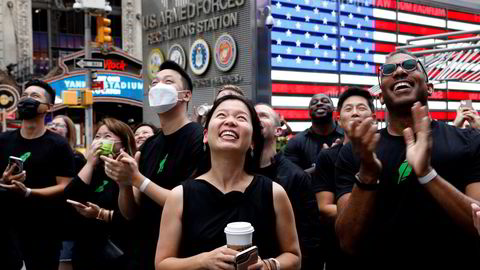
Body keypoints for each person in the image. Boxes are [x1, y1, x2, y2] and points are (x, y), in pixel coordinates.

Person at [335, 49, 480, 269]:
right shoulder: (356, 152)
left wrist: (427, 174)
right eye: (389, 70)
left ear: (429, 88)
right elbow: (348, 242)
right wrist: (368, 172)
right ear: (381, 97)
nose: (400, 71)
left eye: (411, 66)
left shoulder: (469, 142)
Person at [155, 95, 301, 270]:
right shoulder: (179, 196)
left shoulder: (274, 193)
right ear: (206, 135)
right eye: (222, 115)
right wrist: (203, 261)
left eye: (241, 118)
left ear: (253, 141)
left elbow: (294, 257)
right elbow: (162, 264)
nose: (230, 121)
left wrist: (269, 266)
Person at [103, 60, 205, 270]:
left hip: (182, 254)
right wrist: (123, 183)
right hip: (143, 252)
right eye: (155, 82)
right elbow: (131, 212)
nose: (159, 86)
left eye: (168, 81)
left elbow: (190, 203)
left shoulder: (197, 138)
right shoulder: (150, 145)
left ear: (186, 95)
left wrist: (137, 179)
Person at [0, 79, 75, 270]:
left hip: (44, 231)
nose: (27, 99)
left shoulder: (59, 145)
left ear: (48, 107)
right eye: (24, 95)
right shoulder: (3, 140)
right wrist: (3, 182)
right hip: (8, 230)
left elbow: (65, 185)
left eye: (34, 96)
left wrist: (29, 192)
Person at [312, 87, 375, 269]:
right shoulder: (328, 157)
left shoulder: (384, 150)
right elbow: (324, 207)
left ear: (374, 117)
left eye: (361, 108)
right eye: (348, 109)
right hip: (340, 251)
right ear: (338, 119)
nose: (355, 113)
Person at [255, 103, 322, 270]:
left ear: (278, 131)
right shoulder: (238, 173)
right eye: (251, 116)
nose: (256, 119)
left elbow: (309, 240)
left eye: (263, 115)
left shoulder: (296, 177)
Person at [64, 118, 135, 270]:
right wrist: (90, 163)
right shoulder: (92, 169)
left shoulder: (129, 170)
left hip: (116, 250)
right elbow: (70, 197)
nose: (101, 141)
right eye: (97, 137)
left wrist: (101, 214)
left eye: (107, 136)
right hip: (86, 249)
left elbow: (130, 214)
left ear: (122, 142)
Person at [47, 115, 87, 270]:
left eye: (59, 125)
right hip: (45, 221)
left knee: (64, 264)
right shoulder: (45, 155)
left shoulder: (76, 157)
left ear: (69, 131)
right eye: (52, 124)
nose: (54, 127)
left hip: (67, 222)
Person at [284, 94, 344, 170]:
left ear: (333, 108)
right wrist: (322, 164)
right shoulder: (296, 142)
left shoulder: (347, 137)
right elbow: (291, 178)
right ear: (309, 111)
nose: (319, 103)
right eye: (314, 103)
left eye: (325, 101)